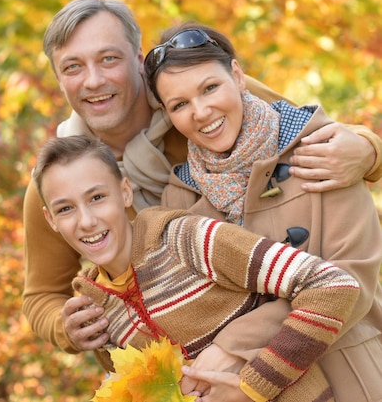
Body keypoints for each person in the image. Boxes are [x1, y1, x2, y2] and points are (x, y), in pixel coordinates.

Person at [22, 0, 382, 376]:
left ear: (138, 59)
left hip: (315, 330)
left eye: (108, 58)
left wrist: (369, 150)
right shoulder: (60, 181)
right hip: (196, 371)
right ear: (58, 78)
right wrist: (65, 326)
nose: (93, 80)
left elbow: (299, 130)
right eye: (73, 67)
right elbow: (41, 294)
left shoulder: (204, 97)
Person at [143, 21, 382, 402]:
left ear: (237, 76)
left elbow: (353, 282)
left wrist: (232, 347)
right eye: (180, 105)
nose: (201, 112)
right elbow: (196, 310)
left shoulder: (322, 151)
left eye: (210, 88)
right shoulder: (180, 198)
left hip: (350, 377)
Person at [32, 134, 360, 402]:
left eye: (97, 198)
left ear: (125, 192)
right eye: (65, 209)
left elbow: (330, 285)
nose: (87, 221)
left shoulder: (186, 239)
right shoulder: (97, 312)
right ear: (51, 221)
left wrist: (252, 386)